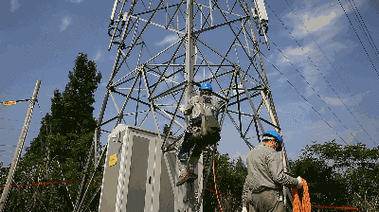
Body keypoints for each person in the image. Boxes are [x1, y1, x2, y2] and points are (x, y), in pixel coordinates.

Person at [241, 130, 303, 212]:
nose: (276, 149)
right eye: (277, 146)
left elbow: (248, 180)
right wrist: (296, 182)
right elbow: (279, 177)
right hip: (270, 196)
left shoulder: (250, 154)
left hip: (254, 197)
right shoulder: (271, 152)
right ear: (274, 141)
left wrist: (244, 204)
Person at [176, 82, 220, 186]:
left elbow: (187, 111)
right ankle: (191, 171)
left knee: (181, 148)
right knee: (197, 151)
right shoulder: (215, 104)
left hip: (196, 131)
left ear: (201, 91)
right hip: (210, 135)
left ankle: (183, 173)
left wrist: (182, 109)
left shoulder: (195, 99)